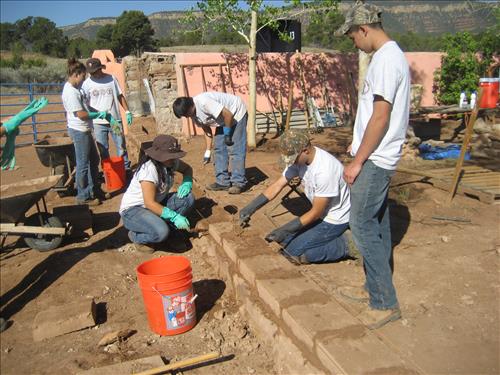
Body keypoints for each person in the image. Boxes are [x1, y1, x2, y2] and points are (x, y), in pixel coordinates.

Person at [335, 0, 410, 329]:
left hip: (376, 158)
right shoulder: (387, 57)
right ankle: (373, 285)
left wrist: (357, 160)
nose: (354, 42)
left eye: (352, 36)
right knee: (378, 222)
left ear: (364, 29)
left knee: (361, 223)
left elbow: (381, 117)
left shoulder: (385, 60)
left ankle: (385, 302)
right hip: (377, 154)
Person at [239, 130, 351, 264]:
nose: (291, 163)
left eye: (293, 158)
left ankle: (345, 245)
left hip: (334, 219)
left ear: (305, 151)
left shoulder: (325, 171)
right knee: (282, 241)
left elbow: (316, 212)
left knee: (291, 253)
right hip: (320, 215)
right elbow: (278, 185)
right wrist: (250, 208)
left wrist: (285, 229)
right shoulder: (299, 161)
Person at [119, 135, 195, 253]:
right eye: (170, 157)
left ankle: (171, 232)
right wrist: (174, 216)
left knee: (188, 198)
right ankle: (136, 236)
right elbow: (149, 203)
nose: (173, 159)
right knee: (161, 232)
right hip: (134, 211)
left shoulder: (171, 163)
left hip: (156, 203)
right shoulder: (149, 170)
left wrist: (187, 182)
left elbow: (187, 169)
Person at [172, 92, 247, 194]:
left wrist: (227, 134)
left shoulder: (204, 102)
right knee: (219, 149)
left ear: (190, 107)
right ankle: (222, 182)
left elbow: (228, 114)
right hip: (222, 120)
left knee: (235, 149)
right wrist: (207, 151)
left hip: (236, 113)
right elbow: (207, 130)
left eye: (185, 114)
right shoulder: (192, 114)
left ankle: (238, 182)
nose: (186, 117)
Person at [61, 58, 105, 206]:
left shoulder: (76, 90)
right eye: (83, 77)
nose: (83, 80)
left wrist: (98, 112)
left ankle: (95, 190)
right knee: (83, 164)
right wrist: (97, 115)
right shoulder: (70, 92)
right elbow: (81, 114)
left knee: (94, 160)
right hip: (79, 130)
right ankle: (83, 196)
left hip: (85, 130)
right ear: (76, 74)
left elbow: (86, 108)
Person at [81, 58, 133, 176]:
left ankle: (125, 169)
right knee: (103, 149)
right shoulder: (87, 84)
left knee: (121, 146)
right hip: (98, 122)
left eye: (95, 71)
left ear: (100, 69)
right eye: (91, 72)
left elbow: (120, 96)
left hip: (114, 120)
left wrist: (127, 111)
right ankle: (108, 171)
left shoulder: (111, 79)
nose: (94, 74)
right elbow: (84, 104)